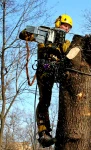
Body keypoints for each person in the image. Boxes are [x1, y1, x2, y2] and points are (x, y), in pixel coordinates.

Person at [19, 14, 73, 147]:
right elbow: (23, 35)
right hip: (45, 69)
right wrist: (37, 32)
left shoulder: (66, 43)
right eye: (64, 25)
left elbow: (71, 54)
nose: (66, 28)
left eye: (68, 27)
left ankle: (70, 127)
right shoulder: (45, 35)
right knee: (44, 100)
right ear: (58, 23)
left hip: (59, 70)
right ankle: (44, 133)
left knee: (70, 92)